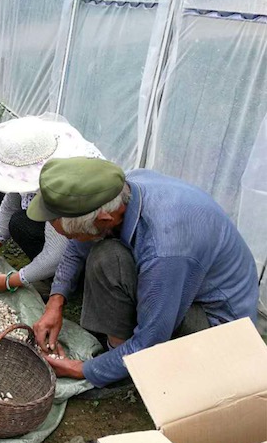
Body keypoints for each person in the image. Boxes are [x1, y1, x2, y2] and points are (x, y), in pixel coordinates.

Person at [27, 157, 259, 387]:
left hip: (220, 331)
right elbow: (78, 246)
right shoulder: (122, 190)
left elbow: (151, 339)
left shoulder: (165, 249)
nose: (72, 240)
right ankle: (118, 350)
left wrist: (84, 370)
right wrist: (55, 302)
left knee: (107, 259)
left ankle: (122, 374)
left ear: (105, 219)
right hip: (181, 283)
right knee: (104, 252)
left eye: (72, 234)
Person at [0, 116, 102, 296]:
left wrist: (12, 280)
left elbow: (55, 254)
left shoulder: (63, 187)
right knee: (5, 206)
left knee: (20, 223)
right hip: (65, 222)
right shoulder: (34, 165)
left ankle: (65, 283)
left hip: (89, 244)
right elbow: (11, 200)